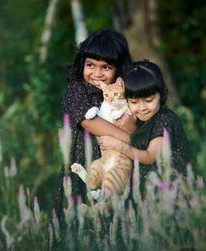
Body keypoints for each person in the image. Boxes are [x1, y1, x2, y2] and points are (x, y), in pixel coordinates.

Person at [52, 28, 134, 226]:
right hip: (82, 161)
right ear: (82, 64)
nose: (96, 73)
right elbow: (89, 121)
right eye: (90, 65)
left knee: (113, 223)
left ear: (119, 69)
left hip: (117, 169)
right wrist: (126, 136)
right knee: (77, 222)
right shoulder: (76, 89)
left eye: (106, 67)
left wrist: (129, 129)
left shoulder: (126, 92)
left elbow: (134, 122)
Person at [98, 60, 190, 194]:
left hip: (170, 193)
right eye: (134, 102)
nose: (142, 108)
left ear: (162, 94)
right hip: (145, 195)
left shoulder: (165, 120)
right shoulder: (137, 119)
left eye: (149, 100)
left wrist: (118, 145)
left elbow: (149, 156)